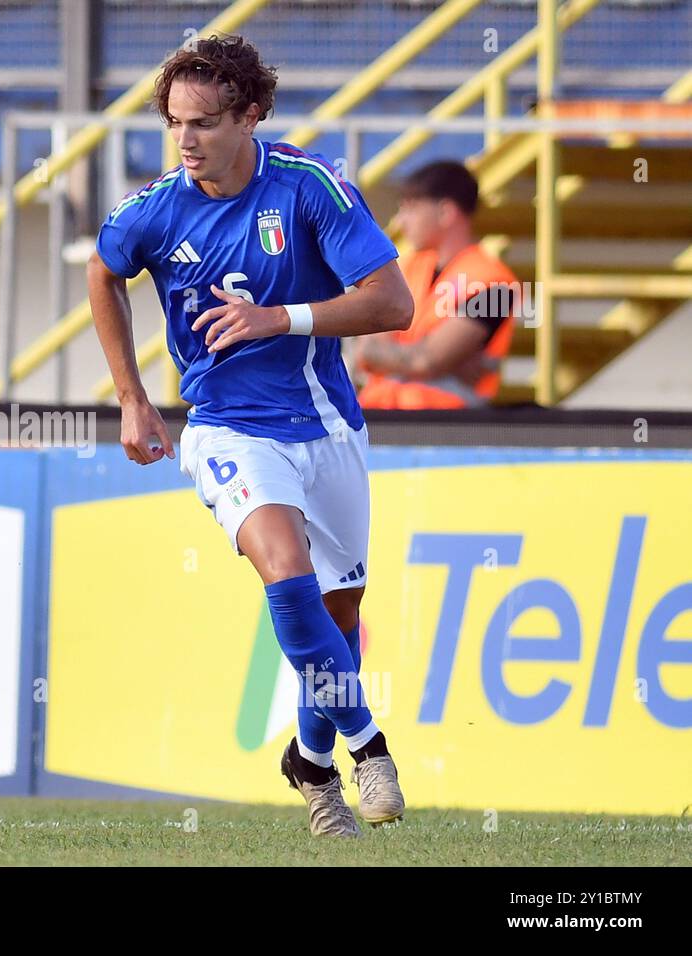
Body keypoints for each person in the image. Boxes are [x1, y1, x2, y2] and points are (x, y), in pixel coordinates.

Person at [86, 33, 412, 837]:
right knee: (286, 570)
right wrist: (132, 397)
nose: (186, 141)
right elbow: (102, 270)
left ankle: (307, 758)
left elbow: (394, 305)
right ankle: (369, 748)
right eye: (174, 123)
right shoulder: (156, 210)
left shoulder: (310, 188)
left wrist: (281, 317)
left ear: (252, 114)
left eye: (203, 122)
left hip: (328, 427)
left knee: (335, 621)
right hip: (229, 430)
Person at [355, 160, 520, 409]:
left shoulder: (495, 284)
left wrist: (393, 353)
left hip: (448, 429)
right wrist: (428, 358)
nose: (401, 221)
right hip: (380, 418)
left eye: (411, 208)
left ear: (445, 212)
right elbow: (365, 350)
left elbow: (427, 361)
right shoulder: (406, 267)